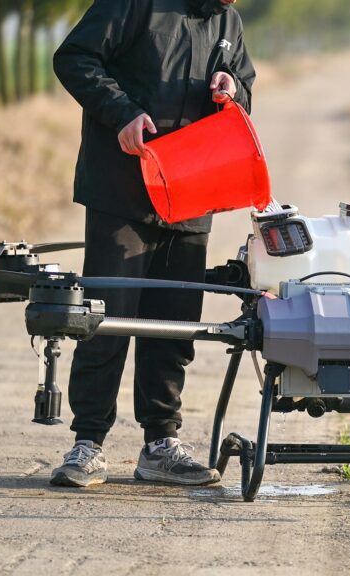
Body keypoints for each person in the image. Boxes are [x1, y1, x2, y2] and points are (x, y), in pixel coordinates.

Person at [49, 0, 254, 488]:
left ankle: (161, 445)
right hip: (121, 189)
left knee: (173, 323)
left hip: (192, 190)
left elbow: (244, 81)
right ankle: (88, 443)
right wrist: (121, 112)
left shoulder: (228, 20)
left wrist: (235, 89)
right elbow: (73, 57)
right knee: (105, 317)